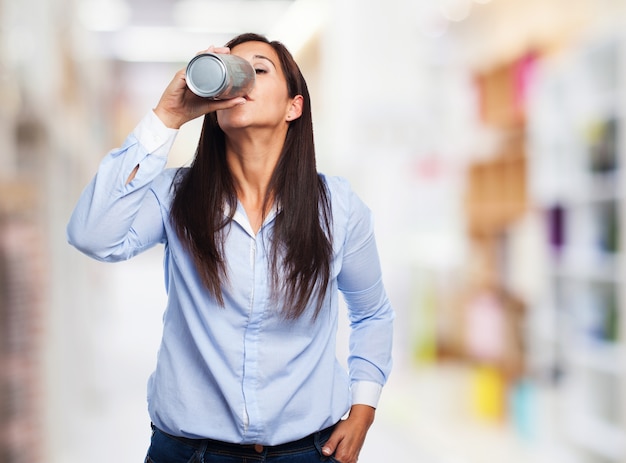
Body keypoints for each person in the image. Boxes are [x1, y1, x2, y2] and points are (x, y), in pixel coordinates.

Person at [67, 32, 394, 463]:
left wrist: (363, 408)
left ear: (293, 106)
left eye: (259, 70)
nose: (242, 82)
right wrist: (167, 116)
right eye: (233, 72)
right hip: (188, 453)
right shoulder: (178, 196)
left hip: (306, 451)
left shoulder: (336, 208)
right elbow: (93, 235)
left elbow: (372, 313)